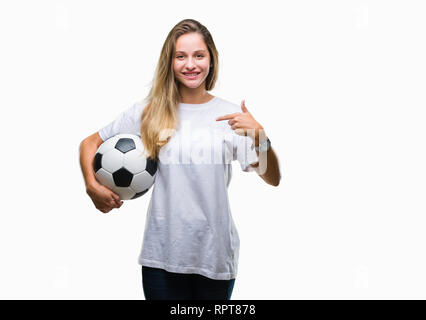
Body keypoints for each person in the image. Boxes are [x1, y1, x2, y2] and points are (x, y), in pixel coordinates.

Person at [79, 18, 281, 300]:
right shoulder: (149, 112)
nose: (190, 64)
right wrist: (92, 185)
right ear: (169, 62)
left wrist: (261, 137)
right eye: (180, 56)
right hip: (161, 256)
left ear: (211, 59)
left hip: (215, 256)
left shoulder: (231, 116)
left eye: (199, 55)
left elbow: (273, 179)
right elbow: (90, 143)